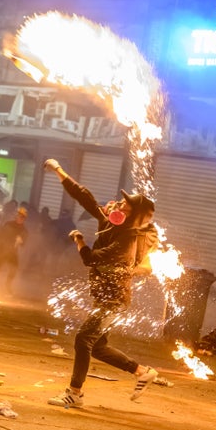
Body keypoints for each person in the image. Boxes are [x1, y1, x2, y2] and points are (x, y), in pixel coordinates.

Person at [42, 158, 159, 408]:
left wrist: (79, 240)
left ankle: (74, 392)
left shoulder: (127, 239)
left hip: (114, 301)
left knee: (83, 339)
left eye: (124, 205)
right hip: (105, 297)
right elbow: (84, 196)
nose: (118, 203)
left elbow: (90, 259)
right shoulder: (108, 223)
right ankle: (141, 371)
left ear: (130, 216)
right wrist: (59, 170)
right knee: (97, 346)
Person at [0, 206, 28, 295]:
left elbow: (23, 242)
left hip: (12, 253)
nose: (20, 218)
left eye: (22, 217)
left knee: (13, 269)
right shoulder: (8, 224)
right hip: (2, 250)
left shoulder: (24, 230)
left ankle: (8, 286)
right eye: (19, 216)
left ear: (24, 219)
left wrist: (21, 240)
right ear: (16, 216)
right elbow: (0, 234)